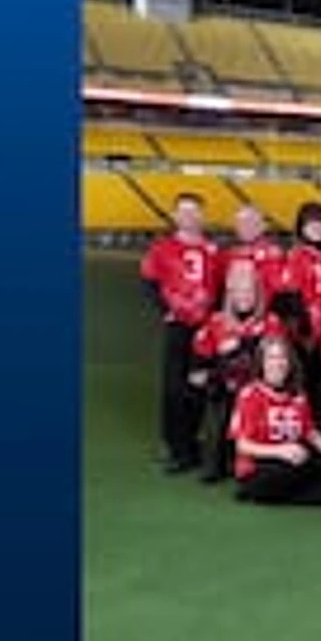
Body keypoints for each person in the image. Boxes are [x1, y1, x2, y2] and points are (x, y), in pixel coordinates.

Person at [230, 336, 321, 504]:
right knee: (289, 473)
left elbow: (312, 434)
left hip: (295, 462)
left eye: (282, 357)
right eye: (271, 358)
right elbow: (243, 446)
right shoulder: (250, 395)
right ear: (261, 363)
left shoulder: (298, 395)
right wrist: (281, 451)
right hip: (261, 468)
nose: (278, 363)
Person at [141, 192, 222, 474]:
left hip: (205, 327)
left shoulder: (214, 250)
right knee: (174, 387)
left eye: (194, 211)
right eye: (183, 211)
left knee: (199, 384)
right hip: (179, 326)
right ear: (174, 216)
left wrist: (217, 318)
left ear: (202, 216)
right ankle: (174, 445)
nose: (189, 216)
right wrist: (165, 310)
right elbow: (149, 282)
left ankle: (192, 441)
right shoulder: (162, 248)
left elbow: (222, 287)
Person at [189, 261, 286, 483]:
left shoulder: (271, 322)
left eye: (249, 292)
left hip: (260, 386)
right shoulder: (216, 321)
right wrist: (210, 373)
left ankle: (247, 459)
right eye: (238, 291)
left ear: (258, 294)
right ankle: (214, 459)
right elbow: (199, 363)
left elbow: (277, 360)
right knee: (218, 396)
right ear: (230, 294)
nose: (244, 297)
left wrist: (242, 347)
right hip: (225, 385)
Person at [274, 202, 321, 409]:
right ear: (301, 228)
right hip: (307, 332)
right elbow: (290, 296)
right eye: (311, 224)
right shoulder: (297, 256)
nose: (317, 228)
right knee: (305, 382)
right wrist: (303, 332)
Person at [219, 204, 286, 309]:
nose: (246, 227)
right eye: (241, 223)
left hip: (267, 311)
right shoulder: (227, 254)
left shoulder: (273, 254)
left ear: (263, 226)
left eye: (251, 222)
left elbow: (278, 288)